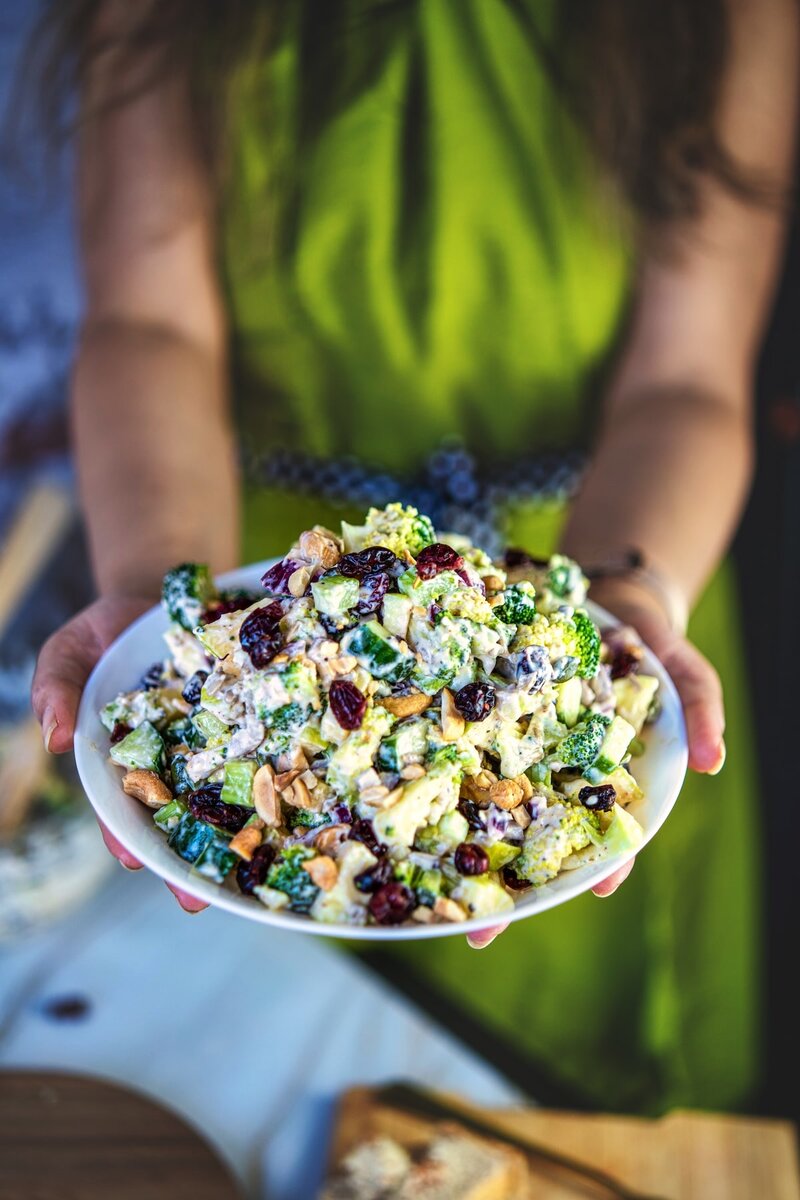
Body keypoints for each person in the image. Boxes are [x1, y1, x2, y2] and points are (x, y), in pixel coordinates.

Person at [28, 0, 797, 1111]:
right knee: (266, 1080)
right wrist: (159, 596)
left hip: (606, 559)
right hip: (257, 563)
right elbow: (152, 325)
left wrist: (628, 600)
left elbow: (688, 377)